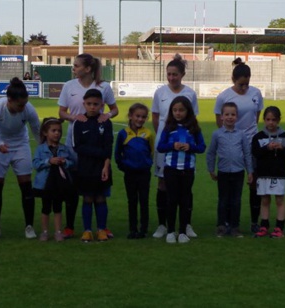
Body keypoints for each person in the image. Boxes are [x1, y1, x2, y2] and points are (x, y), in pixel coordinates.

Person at [58, 53, 118, 239]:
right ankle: (71, 226)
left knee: (99, 185)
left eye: (76, 65)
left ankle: (102, 227)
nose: (73, 68)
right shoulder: (69, 86)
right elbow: (61, 112)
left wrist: (107, 116)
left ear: (88, 69)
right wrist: (73, 117)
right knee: (74, 185)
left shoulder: (103, 87)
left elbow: (114, 109)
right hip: (75, 142)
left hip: (98, 141)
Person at [151, 54, 199, 239]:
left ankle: (186, 225)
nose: (171, 78)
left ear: (182, 74)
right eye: (169, 74)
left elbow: (193, 119)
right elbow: (156, 117)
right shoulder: (160, 93)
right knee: (163, 183)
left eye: (175, 74)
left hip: (185, 147)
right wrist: (165, 137)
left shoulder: (190, 94)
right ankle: (163, 224)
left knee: (186, 185)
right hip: (165, 146)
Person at [214, 58, 263, 234]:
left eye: (247, 84)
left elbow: (256, 117)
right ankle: (227, 222)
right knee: (229, 185)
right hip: (232, 144)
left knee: (253, 183)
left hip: (252, 143)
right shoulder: (224, 97)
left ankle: (254, 221)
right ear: (233, 80)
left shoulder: (256, 93)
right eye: (241, 84)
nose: (244, 88)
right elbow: (219, 124)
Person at [0, 78, 40, 240]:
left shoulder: (29, 109)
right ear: (9, 100)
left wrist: (44, 150)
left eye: (24, 104)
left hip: (20, 145)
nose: (23, 107)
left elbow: (37, 131)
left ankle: (29, 226)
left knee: (26, 186)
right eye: (19, 105)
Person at [156, 96, 205, 244]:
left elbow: (202, 147)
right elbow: (160, 147)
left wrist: (191, 147)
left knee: (184, 200)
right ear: (171, 111)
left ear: (188, 111)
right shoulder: (169, 127)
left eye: (181, 110)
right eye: (175, 110)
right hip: (171, 169)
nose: (178, 113)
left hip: (188, 170)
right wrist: (173, 146)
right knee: (172, 200)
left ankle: (183, 231)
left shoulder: (194, 128)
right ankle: (171, 231)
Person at [207, 102, 254, 238]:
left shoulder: (241, 134)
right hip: (223, 172)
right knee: (223, 200)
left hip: (238, 172)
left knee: (236, 200)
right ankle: (221, 226)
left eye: (232, 114)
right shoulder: (217, 134)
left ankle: (235, 226)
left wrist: (249, 171)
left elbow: (246, 153)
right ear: (221, 117)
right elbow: (211, 152)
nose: (229, 117)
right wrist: (211, 169)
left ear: (237, 117)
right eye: (226, 114)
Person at [73, 89, 113, 242]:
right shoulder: (79, 122)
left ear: (101, 105)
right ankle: (87, 230)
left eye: (95, 104)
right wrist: (99, 153)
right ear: (84, 104)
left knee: (101, 198)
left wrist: (106, 165)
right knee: (88, 198)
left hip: (102, 167)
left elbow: (109, 146)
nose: (92, 107)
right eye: (89, 104)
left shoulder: (105, 122)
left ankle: (101, 229)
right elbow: (78, 146)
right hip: (85, 168)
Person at [251, 106, 285, 238]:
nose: (271, 122)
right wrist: (267, 148)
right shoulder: (258, 137)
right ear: (264, 120)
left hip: (279, 173)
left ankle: (279, 227)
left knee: (280, 200)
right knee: (264, 200)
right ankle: (264, 226)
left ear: (279, 120)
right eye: (268, 119)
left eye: (274, 120)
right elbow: (256, 153)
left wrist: (282, 148)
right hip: (263, 174)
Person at [115, 103, 155, 239]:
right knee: (132, 201)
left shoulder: (148, 133)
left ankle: (143, 229)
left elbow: (151, 151)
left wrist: (147, 164)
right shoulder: (123, 134)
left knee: (144, 200)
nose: (140, 119)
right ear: (131, 116)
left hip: (144, 173)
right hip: (130, 173)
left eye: (143, 117)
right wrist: (123, 166)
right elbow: (117, 152)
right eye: (137, 116)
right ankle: (132, 229)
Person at [32, 118, 75, 242]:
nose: (57, 133)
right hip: (46, 183)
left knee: (58, 207)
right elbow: (35, 164)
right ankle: (45, 232)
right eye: (53, 130)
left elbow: (72, 163)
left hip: (59, 183)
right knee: (46, 208)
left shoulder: (64, 148)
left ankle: (58, 231)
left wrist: (65, 162)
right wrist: (48, 161)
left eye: (59, 131)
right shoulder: (41, 149)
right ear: (45, 133)